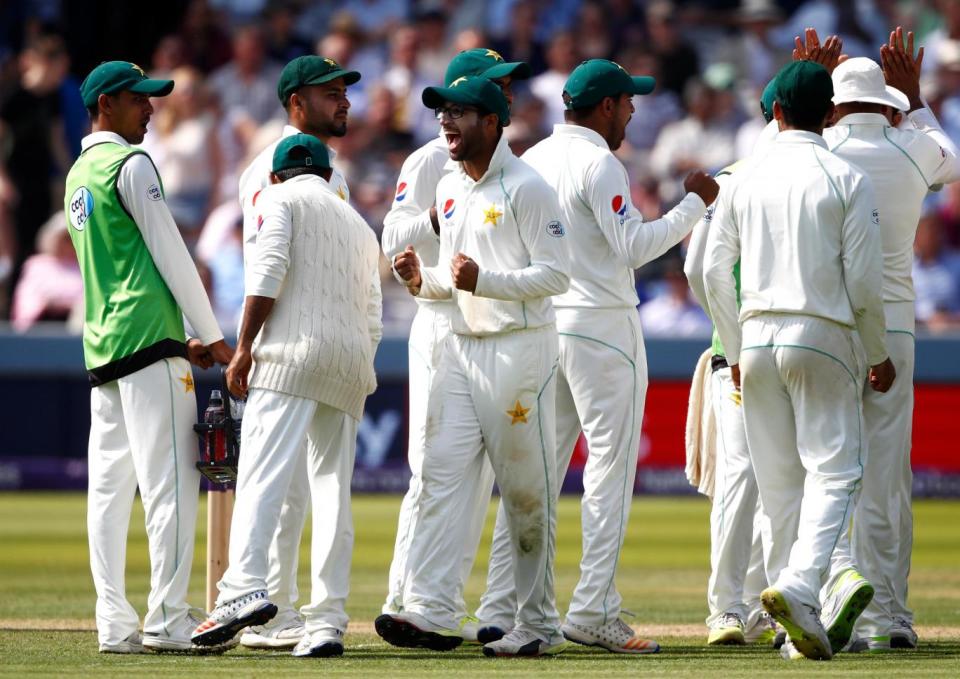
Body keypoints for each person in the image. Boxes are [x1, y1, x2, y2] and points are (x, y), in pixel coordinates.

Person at [474, 58, 717, 654]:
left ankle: (503, 608)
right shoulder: (598, 161)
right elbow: (632, 247)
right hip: (603, 328)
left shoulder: (531, 160)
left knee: (537, 475)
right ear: (605, 106)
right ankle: (594, 610)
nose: (633, 111)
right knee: (608, 469)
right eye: (627, 102)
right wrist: (693, 207)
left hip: (545, 327)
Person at [703, 60, 895, 661]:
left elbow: (711, 271)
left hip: (756, 339)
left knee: (781, 484)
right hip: (824, 334)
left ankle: (796, 629)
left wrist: (734, 349)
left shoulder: (742, 177)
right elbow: (863, 282)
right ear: (832, 113)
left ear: (776, 113)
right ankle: (799, 586)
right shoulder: (846, 176)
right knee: (835, 473)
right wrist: (880, 353)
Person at [388, 76, 571, 657]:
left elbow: (557, 275)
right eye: (443, 113)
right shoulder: (447, 187)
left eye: (461, 114)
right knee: (440, 475)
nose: (447, 123)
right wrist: (424, 282)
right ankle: (435, 610)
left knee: (523, 493)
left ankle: (536, 623)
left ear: (492, 123)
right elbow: (454, 279)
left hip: (519, 350)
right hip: (462, 349)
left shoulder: (528, 187)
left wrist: (482, 281)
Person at [192, 134, 382, 658]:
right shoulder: (361, 225)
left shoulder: (277, 199)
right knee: (331, 493)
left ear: (275, 176)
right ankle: (328, 621)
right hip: (347, 365)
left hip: (290, 356)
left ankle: (242, 590)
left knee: (260, 474)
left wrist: (244, 347)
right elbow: (373, 312)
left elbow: (268, 268)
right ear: (325, 175)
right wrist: (359, 367)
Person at [65, 61, 233, 654]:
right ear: (107, 104)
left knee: (107, 494)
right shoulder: (130, 164)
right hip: (148, 344)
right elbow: (171, 252)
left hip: (103, 347)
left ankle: (113, 623)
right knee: (172, 486)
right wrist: (211, 333)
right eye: (140, 99)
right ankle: (168, 621)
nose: (152, 108)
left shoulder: (78, 173)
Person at [817, 28, 960, 652]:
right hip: (896, 327)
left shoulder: (815, 147)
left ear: (832, 104)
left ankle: (831, 599)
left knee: (826, 471)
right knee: (887, 475)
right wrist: (918, 98)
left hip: (826, 325)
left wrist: (802, 93)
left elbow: (768, 161)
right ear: (889, 107)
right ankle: (891, 617)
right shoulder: (910, 150)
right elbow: (950, 157)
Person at [234, 54, 360, 650]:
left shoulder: (328, 171)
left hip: (301, 350)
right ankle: (288, 613)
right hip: (298, 347)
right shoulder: (270, 170)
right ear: (295, 103)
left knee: (298, 487)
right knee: (293, 489)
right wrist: (252, 346)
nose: (344, 101)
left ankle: (290, 612)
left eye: (344, 92)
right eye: (330, 92)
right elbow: (266, 265)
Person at [683, 79, 781, 649]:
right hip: (748, 356)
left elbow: (697, 270)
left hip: (762, 352)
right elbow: (700, 269)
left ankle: (757, 604)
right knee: (751, 481)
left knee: (771, 483)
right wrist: (734, 342)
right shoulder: (736, 179)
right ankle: (727, 607)